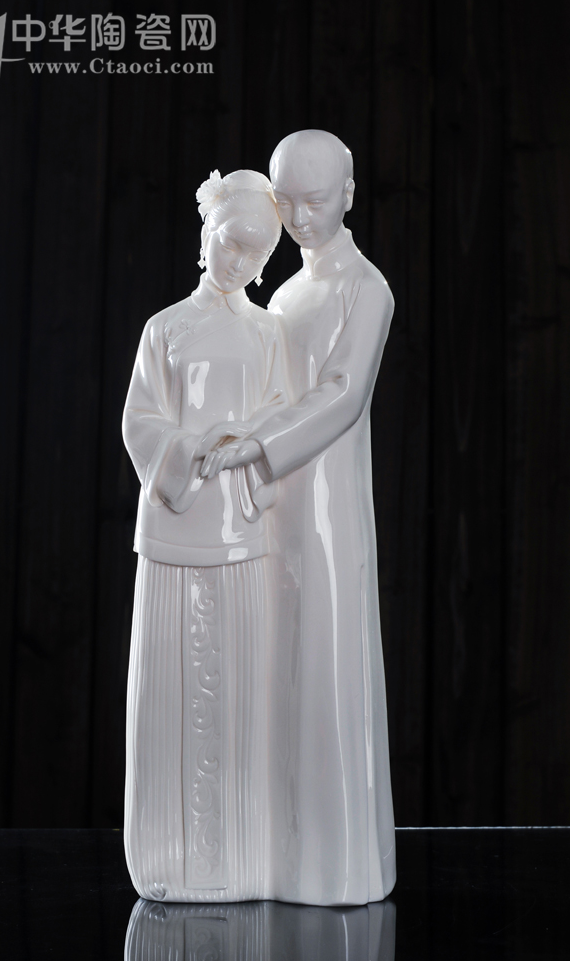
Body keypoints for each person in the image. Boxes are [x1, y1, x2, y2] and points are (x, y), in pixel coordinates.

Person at [202, 130, 396, 906]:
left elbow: (341, 395)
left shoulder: (366, 289)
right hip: (269, 502)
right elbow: (264, 386)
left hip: (326, 507)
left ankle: (338, 863)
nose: (303, 218)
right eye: (288, 203)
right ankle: (274, 853)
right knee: (274, 674)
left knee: (326, 666)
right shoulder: (282, 297)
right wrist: (232, 436)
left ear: (348, 194)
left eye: (317, 201)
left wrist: (258, 442)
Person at [122, 169, 287, 902]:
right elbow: (141, 420)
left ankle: (240, 857)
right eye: (230, 244)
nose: (238, 263)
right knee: (167, 688)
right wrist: (191, 448)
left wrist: (248, 442)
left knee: (241, 689)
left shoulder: (269, 333)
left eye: (256, 253)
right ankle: (163, 855)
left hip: (242, 523)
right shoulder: (166, 329)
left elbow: (282, 413)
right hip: (175, 517)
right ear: (206, 233)